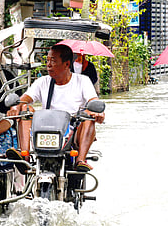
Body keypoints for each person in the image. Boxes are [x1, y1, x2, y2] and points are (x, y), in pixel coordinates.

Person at [6, 44, 105, 172]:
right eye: (47, 60)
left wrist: (97, 112)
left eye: (53, 61)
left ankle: (80, 160)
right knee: (25, 108)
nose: (48, 65)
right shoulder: (43, 82)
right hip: (44, 127)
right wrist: (16, 106)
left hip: (72, 129)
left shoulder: (82, 81)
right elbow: (25, 99)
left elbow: (93, 100)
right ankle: (25, 156)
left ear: (67, 64)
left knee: (88, 115)